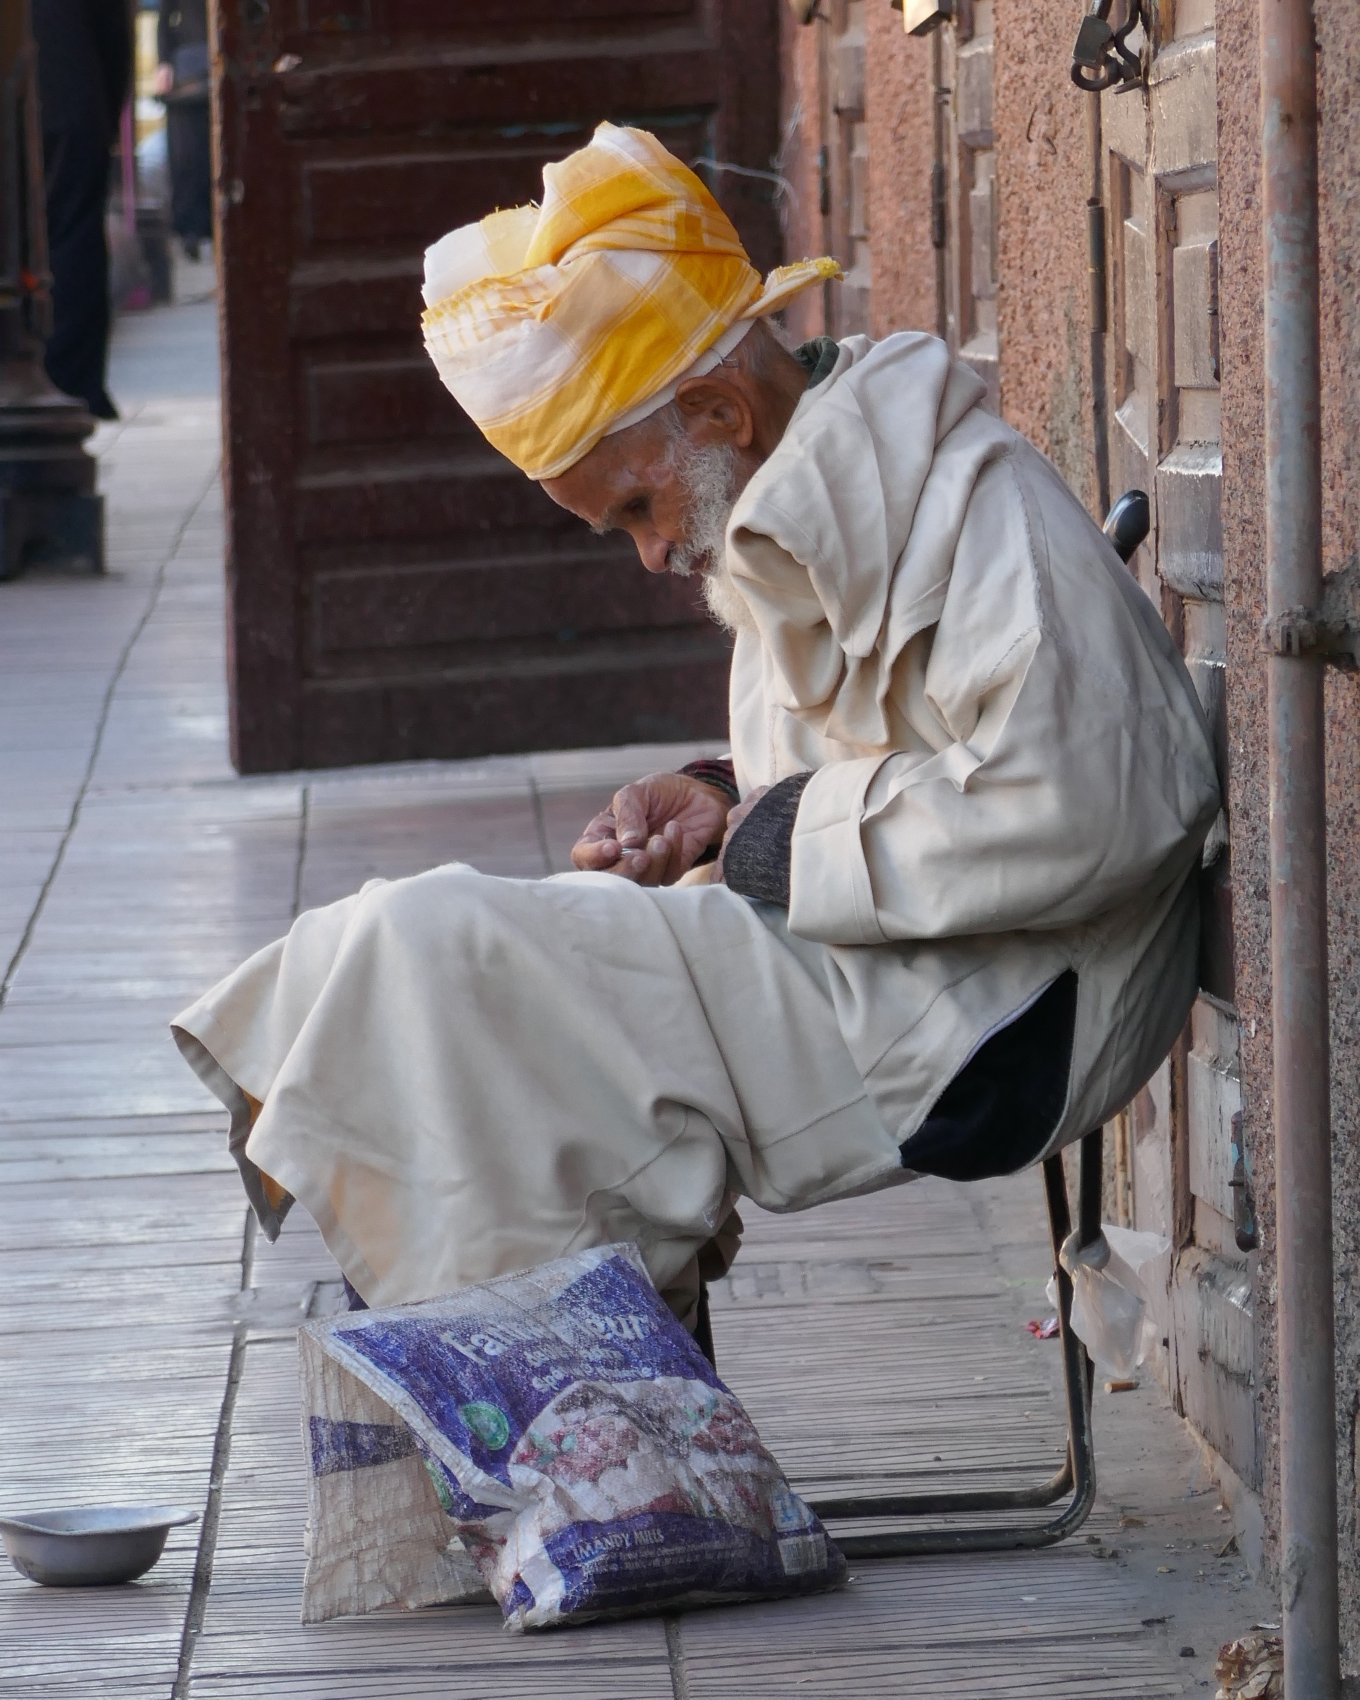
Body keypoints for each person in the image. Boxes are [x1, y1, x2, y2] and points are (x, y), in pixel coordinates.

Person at [173, 124, 1219, 1329]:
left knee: (439, 946)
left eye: (635, 505)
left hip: (1005, 1018)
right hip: (887, 968)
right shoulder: (804, 491)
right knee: (393, 957)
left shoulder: (975, 502)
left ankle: (602, 1448)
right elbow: (873, 765)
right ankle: (608, 1447)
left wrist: (782, 835)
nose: (655, 552)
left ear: (717, 408)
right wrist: (724, 794)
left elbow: (1115, 797)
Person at [5, 0, 130, 420]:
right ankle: (77, 383)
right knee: (74, 243)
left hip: (21, 109)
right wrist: (106, 112)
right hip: (75, 107)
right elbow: (113, 23)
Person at [153, 0, 211, 258]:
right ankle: (189, 229)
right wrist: (164, 63)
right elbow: (164, 16)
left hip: (219, 63)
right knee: (186, 152)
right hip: (187, 65)